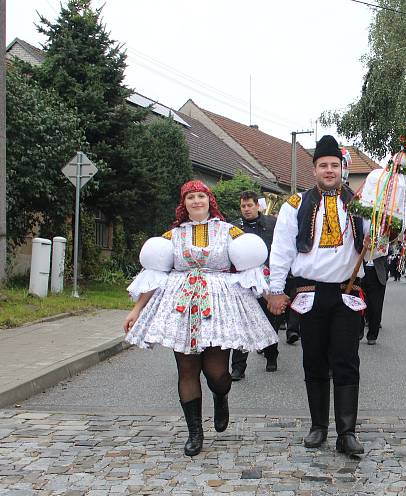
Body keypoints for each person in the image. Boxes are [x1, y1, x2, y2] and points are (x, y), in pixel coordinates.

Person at [123, 180, 278, 456]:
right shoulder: (172, 236)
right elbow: (156, 275)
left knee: (217, 373)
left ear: (210, 201)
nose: (196, 201)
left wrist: (270, 298)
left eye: (201, 196)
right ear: (184, 204)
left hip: (220, 307)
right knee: (187, 370)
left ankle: (221, 395)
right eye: (191, 197)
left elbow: (248, 268)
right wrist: (137, 309)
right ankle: (195, 432)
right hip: (181, 307)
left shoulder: (229, 231)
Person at [267, 135, 369, 456]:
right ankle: (318, 427)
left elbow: (376, 250)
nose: (329, 170)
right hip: (309, 293)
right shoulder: (294, 205)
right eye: (323, 165)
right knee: (313, 360)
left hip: (347, 293)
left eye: (334, 165)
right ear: (314, 169)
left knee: (346, 361)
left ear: (342, 169)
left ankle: (347, 431)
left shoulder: (360, 204)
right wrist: (275, 291)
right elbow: (281, 250)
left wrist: (385, 234)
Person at [230, 191, 281, 377]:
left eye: (249, 205)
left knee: (269, 319)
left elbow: (280, 248)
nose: (246, 209)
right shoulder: (233, 227)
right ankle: (238, 367)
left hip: (266, 279)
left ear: (257, 205)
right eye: (243, 206)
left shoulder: (272, 224)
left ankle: (271, 355)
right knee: (241, 323)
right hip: (242, 281)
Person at [361, 235, 389, 345]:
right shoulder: (361, 227)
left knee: (376, 306)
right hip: (360, 271)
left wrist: (373, 246)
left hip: (377, 274)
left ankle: (372, 334)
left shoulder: (383, 228)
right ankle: (358, 330)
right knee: (359, 303)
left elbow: (385, 250)